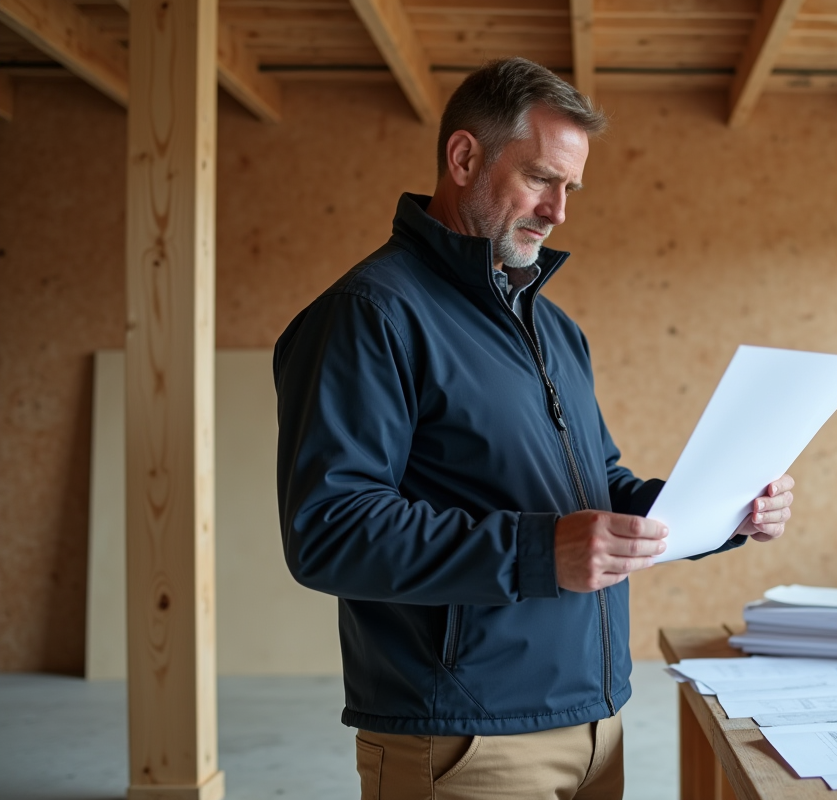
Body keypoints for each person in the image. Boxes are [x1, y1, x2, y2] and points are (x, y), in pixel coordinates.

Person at [273, 57, 795, 800]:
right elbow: (331, 530)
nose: (558, 212)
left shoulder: (553, 329)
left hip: (596, 723)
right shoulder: (371, 315)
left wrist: (724, 509)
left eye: (571, 188)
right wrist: (536, 552)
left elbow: (596, 488)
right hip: (465, 741)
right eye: (542, 179)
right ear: (464, 157)